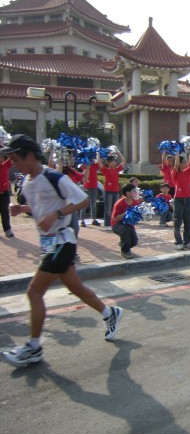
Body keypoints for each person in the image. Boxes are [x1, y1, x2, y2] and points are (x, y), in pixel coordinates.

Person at [0, 135, 122, 366]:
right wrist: (22, 208)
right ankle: (109, 313)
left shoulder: (54, 177)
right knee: (76, 288)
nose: (13, 163)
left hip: (62, 242)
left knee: (34, 292)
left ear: (29, 155)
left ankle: (33, 347)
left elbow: (83, 200)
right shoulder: (27, 182)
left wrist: (56, 215)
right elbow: (41, 208)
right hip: (49, 244)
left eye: (15, 158)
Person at [172, 152, 190, 250]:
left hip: (188, 199)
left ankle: (187, 242)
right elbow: (176, 164)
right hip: (179, 199)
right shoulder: (175, 173)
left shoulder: (187, 171)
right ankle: (178, 242)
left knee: (188, 222)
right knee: (177, 222)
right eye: (183, 162)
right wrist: (177, 152)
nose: (185, 164)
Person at [98, 150, 125, 230]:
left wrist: (118, 152)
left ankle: (114, 223)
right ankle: (107, 224)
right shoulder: (106, 170)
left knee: (115, 208)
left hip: (116, 191)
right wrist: (98, 154)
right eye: (112, 162)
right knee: (108, 209)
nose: (114, 163)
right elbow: (99, 163)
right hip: (108, 192)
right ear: (108, 163)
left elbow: (123, 161)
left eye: (114, 161)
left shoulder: (117, 169)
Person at [111, 183, 140, 259]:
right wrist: (126, 213)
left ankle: (123, 243)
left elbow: (136, 216)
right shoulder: (119, 203)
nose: (136, 193)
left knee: (134, 241)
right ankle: (125, 251)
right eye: (134, 191)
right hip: (117, 224)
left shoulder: (136, 202)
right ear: (127, 193)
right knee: (125, 230)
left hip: (129, 224)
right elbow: (115, 218)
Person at [80, 157, 101, 227]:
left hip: (94, 187)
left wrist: (97, 155)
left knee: (93, 204)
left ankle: (94, 219)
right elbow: (83, 169)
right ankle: (82, 220)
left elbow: (100, 162)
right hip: (87, 186)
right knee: (84, 204)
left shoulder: (95, 165)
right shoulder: (85, 165)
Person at [0, 152, 14, 237]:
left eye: (1, 157)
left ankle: (7, 230)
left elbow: (12, 156)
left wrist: (8, 148)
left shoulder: (5, 165)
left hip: (4, 194)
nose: (0, 159)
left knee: (5, 212)